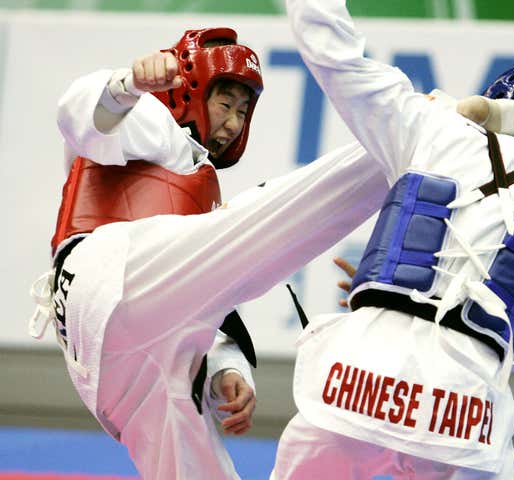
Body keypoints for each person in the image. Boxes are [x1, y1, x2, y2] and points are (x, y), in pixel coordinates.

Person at [27, 27, 392, 480]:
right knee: (261, 220)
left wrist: (226, 367)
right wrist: (130, 83)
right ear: (190, 90)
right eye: (226, 105)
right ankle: (393, 142)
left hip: (105, 354)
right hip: (105, 274)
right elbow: (77, 114)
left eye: (243, 112)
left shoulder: (196, 185)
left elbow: (193, 295)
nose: (235, 124)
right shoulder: (149, 122)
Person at [273, 0, 514, 479]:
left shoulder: (435, 128)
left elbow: (334, 58)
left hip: (360, 377)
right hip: (463, 411)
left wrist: (391, 290)